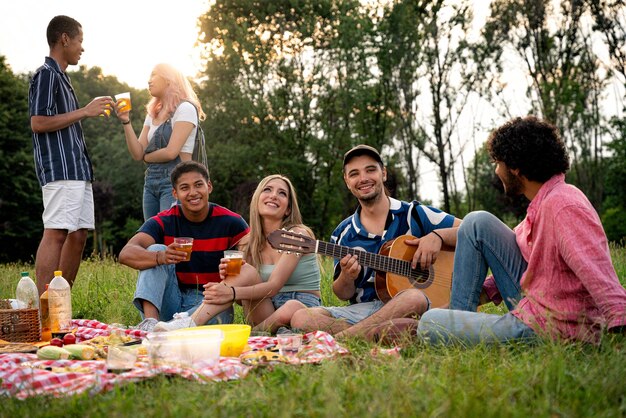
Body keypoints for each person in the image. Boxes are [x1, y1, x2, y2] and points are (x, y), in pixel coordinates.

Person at [417, 116, 626, 345]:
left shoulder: (564, 206)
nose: (497, 170)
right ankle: (457, 322)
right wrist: (468, 302)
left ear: (515, 167)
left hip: (552, 330)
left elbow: (596, 268)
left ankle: (454, 332)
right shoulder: (543, 203)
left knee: (429, 323)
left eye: (498, 162)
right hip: (535, 305)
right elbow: (518, 260)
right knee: (477, 222)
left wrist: (620, 318)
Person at [290, 145, 461, 340]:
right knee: (301, 317)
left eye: (370, 170)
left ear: (384, 173)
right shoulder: (343, 233)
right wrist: (347, 276)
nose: (363, 178)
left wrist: (437, 237)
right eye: (354, 174)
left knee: (413, 297)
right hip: (364, 311)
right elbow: (343, 294)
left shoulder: (415, 214)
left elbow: (471, 231)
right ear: (347, 182)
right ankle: (377, 333)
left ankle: (344, 339)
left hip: (419, 304)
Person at [153, 174, 322, 333]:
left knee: (292, 306)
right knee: (243, 269)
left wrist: (232, 292)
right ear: (257, 200)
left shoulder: (298, 235)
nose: (273, 196)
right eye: (267, 190)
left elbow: (273, 287)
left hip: (300, 308)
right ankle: (188, 323)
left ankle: (255, 333)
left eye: (282, 193)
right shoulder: (247, 242)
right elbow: (244, 300)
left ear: (288, 209)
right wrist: (231, 280)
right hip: (266, 310)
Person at [29, 15, 115, 294]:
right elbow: (38, 122)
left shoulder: (63, 79)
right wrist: (85, 111)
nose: (82, 48)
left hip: (78, 171)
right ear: (64, 39)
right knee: (56, 233)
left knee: (78, 236)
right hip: (60, 170)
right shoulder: (46, 74)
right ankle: (45, 310)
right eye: (80, 41)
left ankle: (60, 303)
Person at [118, 161, 250, 331]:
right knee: (155, 250)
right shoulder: (164, 221)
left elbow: (250, 265)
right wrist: (161, 257)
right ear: (175, 193)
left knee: (224, 311)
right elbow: (126, 253)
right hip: (171, 300)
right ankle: (150, 325)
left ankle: (172, 329)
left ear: (209, 187)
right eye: (185, 187)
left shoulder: (232, 222)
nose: (193, 193)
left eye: (198, 185)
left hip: (207, 303)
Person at [116, 63, 205, 221]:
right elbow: (137, 153)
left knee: (170, 237)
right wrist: (126, 121)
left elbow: (171, 152)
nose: (149, 81)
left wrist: (147, 157)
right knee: (152, 235)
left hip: (176, 181)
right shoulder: (153, 113)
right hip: (150, 182)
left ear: (169, 80)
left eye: (153, 75)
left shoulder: (185, 109)